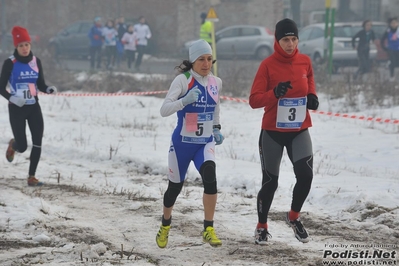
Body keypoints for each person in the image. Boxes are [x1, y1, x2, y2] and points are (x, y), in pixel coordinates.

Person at [249, 18, 319, 244]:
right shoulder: (267, 65)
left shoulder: (305, 61)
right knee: (270, 182)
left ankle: (294, 216)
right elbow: (254, 100)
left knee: (306, 176)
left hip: (299, 130)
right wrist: (274, 94)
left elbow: (309, 81)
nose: (290, 44)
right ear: (277, 41)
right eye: (285, 40)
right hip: (272, 132)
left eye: (294, 39)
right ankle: (261, 226)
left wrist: (313, 98)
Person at [156, 39, 224, 248]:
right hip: (182, 144)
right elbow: (164, 110)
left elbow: (215, 109)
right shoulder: (182, 80)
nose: (206, 64)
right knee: (175, 188)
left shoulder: (216, 82)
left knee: (211, 178)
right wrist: (184, 101)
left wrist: (216, 128)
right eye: (201, 59)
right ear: (192, 61)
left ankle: (208, 228)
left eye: (209, 59)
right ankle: (166, 224)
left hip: (204, 143)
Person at [0, 26, 57, 186]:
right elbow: (0, 87)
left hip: (33, 107)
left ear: (30, 45)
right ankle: (14, 145)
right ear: (16, 47)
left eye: (26, 44)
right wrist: (12, 98)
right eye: (21, 45)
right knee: (23, 146)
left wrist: (48, 89)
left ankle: (31, 176)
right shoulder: (10, 63)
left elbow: (41, 84)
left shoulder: (35, 61)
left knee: (38, 142)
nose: (24, 48)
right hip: (17, 109)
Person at [380, 17, 399, 81]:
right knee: (392, 62)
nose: (394, 24)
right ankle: (392, 76)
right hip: (391, 49)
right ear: (390, 24)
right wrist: (384, 48)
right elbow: (382, 40)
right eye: (392, 23)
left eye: (395, 23)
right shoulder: (388, 31)